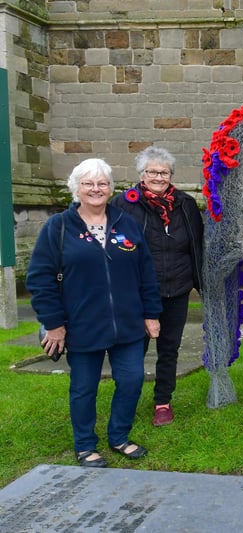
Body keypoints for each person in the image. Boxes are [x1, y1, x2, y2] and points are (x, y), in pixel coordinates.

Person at [27, 158, 162, 468]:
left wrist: (151, 313)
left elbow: (146, 272)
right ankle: (85, 445)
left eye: (102, 183)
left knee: (131, 380)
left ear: (110, 188)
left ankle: (119, 436)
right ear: (76, 188)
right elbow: (40, 279)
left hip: (127, 323)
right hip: (82, 325)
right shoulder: (58, 227)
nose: (96, 189)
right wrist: (54, 325)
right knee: (84, 388)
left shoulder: (125, 222)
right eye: (88, 183)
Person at [111, 146, 204, 427]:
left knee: (169, 348)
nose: (158, 177)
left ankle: (163, 401)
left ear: (171, 175)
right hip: (137, 293)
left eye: (164, 172)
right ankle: (128, 396)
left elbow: (197, 246)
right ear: (142, 174)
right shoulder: (123, 204)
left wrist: (200, 284)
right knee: (133, 348)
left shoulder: (185, 204)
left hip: (176, 289)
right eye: (152, 171)